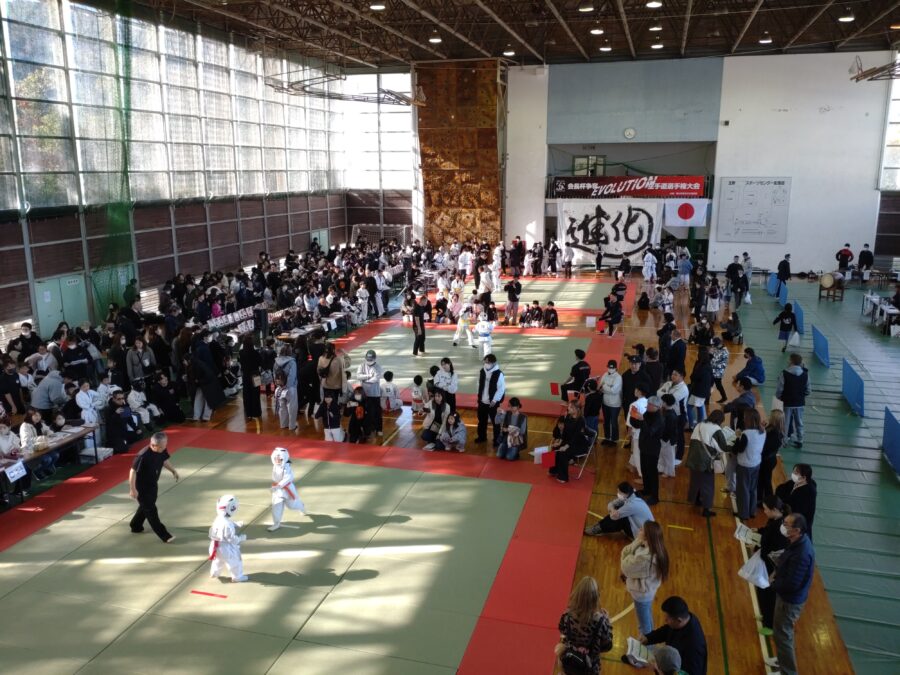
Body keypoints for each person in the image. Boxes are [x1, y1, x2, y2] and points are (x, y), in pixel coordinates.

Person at [770, 513, 815, 675]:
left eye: (786, 524)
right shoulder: (797, 542)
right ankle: (782, 661)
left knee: (783, 637)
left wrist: (772, 583)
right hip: (787, 598)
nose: (783, 526)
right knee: (781, 634)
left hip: (789, 602)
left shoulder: (802, 553)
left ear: (796, 530)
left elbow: (792, 584)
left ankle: (788, 672)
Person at [625, 596, 707, 675]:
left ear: (679, 620)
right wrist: (648, 638)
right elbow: (667, 630)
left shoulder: (694, 648)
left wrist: (659, 669)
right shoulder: (683, 620)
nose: (665, 620)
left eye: (668, 618)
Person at [555, 576, 613, 675]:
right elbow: (607, 646)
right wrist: (608, 623)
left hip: (569, 659)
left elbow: (561, 629)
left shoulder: (567, 615)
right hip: (589, 665)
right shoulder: (601, 621)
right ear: (596, 598)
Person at [621, 521, 670, 636]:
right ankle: (650, 638)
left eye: (642, 529)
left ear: (648, 536)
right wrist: (638, 540)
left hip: (641, 595)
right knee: (647, 617)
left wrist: (628, 555)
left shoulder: (645, 559)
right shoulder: (655, 547)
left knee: (643, 625)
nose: (639, 530)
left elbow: (625, 567)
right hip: (647, 592)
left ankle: (647, 644)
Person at [128, 432, 178, 543]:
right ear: (153, 445)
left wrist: (173, 470)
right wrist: (132, 489)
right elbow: (133, 471)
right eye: (162, 447)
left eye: (165, 445)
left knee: (146, 506)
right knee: (151, 510)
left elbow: (164, 460)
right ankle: (165, 535)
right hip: (141, 487)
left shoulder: (161, 449)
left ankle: (135, 525)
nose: (164, 448)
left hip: (153, 484)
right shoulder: (142, 456)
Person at [754, 495, 790, 630]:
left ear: (774, 509)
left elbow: (771, 548)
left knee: (768, 594)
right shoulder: (775, 520)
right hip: (768, 563)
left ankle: (769, 624)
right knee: (763, 591)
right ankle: (765, 616)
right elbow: (767, 532)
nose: (764, 512)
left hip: (771, 566)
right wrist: (758, 531)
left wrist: (757, 547)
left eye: (766, 509)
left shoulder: (780, 528)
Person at [685, 409, 728, 517]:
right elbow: (723, 447)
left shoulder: (699, 424)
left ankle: (696, 500)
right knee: (708, 485)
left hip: (693, 458)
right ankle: (706, 509)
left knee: (695, 481)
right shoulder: (716, 429)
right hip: (705, 462)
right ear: (720, 420)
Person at [584, 481, 654, 538]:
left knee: (620, 519)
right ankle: (599, 526)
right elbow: (611, 504)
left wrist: (613, 511)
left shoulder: (632, 505)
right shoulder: (630, 496)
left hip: (641, 534)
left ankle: (599, 528)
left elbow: (613, 517)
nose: (618, 494)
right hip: (643, 529)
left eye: (619, 492)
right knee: (617, 510)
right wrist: (613, 510)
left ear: (626, 493)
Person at [208, 494, 248, 582]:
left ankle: (214, 573)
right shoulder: (227, 524)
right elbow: (231, 539)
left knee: (218, 561)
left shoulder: (218, 519)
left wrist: (235, 524)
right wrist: (241, 538)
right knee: (235, 562)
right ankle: (237, 577)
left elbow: (225, 524)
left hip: (215, 546)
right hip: (226, 548)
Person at [734, 408, 765, 521]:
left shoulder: (746, 434)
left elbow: (739, 449)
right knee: (753, 488)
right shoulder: (762, 431)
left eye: (745, 418)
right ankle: (752, 511)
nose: (743, 419)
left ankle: (743, 513)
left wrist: (738, 437)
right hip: (756, 463)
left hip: (745, 465)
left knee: (743, 489)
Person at [632, 396, 663, 505]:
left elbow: (650, 432)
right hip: (644, 446)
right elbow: (638, 425)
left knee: (652, 472)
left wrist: (642, 420)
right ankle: (647, 489)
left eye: (650, 405)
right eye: (648, 403)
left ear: (657, 406)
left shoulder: (659, 418)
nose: (647, 406)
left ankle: (655, 496)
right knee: (645, 470)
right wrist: (634, 416)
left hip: (652, 449)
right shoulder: (647, 413)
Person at [549, 400, 590, 484]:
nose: (568, 408)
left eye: (571, 407)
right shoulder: (568, 416)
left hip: (578, 444)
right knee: (554, 448)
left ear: (576, 409)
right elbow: (565, 432)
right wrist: (559, 442)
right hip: (568, 441)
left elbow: (576, 437)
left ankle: (563, 477)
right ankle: (553, 470)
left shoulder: (581, 420)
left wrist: (566, 446)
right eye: (569, 406)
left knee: (563, 453)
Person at [776, 353, 810, 448]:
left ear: (791, 361)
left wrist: (778, 397)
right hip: (799, 403)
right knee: (799, 422)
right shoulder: (805, 374)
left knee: (785, 422)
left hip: (787, 402)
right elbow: (808, 390)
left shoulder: (784, 373)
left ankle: (783, 441)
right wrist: (801, 396)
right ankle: (800, 440)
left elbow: (780, 389)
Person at [775, 464, 817, 540]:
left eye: (796, 473)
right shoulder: (794, 482)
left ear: (804, 477)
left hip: (799, 520)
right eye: (793, 471)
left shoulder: (809, 492)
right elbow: (780, 488)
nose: (793, 474)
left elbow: (800, 511)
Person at [268, 447, 305, 531]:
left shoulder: (287, 467)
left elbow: (288, 478)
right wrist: (276, 487)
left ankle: (301, 506)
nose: (277, 460)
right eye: (276, 459)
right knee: (276, 506)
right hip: (277, 490)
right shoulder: (275, 466)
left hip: (287, 489)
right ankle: (276, 523)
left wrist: (278, 486)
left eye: (279, 459)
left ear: (284, 459)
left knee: (292, 506)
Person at [476, 354, 505, 446]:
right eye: (485, 362)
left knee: (495, 422)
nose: (486, 364)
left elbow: (501, 389)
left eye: (488, 362)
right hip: (482, 401)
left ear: (494, 363)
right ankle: (482, 437)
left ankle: (496, 440)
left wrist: (495, 400)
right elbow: (479, 384)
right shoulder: (482, 371)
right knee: (481, 421)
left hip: (493, 403)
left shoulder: (498, 374)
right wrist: (479, 398)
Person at [759, 409, 785, 505]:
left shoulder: (774, 434)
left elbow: (765, 447)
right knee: (762, 480)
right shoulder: (775, 430)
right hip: (769, 459)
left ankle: (769, 501)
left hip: (767, 460)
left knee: (766, 481)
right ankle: (761, 498)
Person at [357, 349, 384, 438]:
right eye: (368, 359)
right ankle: (366, 428)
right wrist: (368, 376)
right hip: (364, 394)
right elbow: (358, 376)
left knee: (377, 412)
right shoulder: (362, 365)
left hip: (374, 394)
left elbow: (375, 379)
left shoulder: (378, 367)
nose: (369, 361)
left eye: (371, 360)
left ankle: (379, 429)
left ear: (375, 358)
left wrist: (364, 380)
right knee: (364, 412)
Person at [687, 350, 713, 428]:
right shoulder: (709, 366)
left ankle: (691, 425)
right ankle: (699, 424)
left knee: (689, 407)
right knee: (700, 406)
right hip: (705, 391)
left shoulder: (701, 367)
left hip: (698, 391)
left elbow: (694, 377)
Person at [238, 336, 262, 420]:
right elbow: (260, 362)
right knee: (256, 393)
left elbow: (240, 362)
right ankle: (256, 412)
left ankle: (248, 412)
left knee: (247, 393)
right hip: (255, 374)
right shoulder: (256, 352)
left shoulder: (241, 352)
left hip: (245, 375)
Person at [599, 359, 622, 446]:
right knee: (606, 421)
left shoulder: (618, 377)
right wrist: (608, 387)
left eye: (612, 368)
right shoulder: (605, 374)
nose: (610, 369)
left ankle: (614, 440)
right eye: (609, 367)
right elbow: (600, 386)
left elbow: (614, 391)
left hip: (615, 404)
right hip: (605, 402)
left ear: (615, 368)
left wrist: (605, 386)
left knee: (613, 422)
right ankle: (607, 437)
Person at [657, 394, 679, 479]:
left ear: (665, 403)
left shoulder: (670, 415)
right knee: (663, 454)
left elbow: (668, 430)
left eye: (662, 401)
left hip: (668, 439)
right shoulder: (668, 412)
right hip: (665, 438)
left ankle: (669, 472)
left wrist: (663, 438)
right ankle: (662, 469)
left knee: (669, 456)